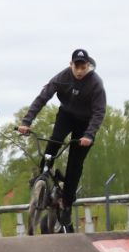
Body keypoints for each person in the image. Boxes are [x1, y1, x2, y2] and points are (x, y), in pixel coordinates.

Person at [17, 48, 106, 231]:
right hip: (66, 115)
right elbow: (43, 97)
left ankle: (66, 202)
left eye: (83, 67)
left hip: (86, 123)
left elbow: (99, 112)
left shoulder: (96, 84)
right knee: (54, 143)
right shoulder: (63, 77)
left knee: (75, 163)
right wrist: (27, 122)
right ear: (70, 64)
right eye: (76, 67)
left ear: (88, 66)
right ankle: (41, 180)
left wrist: (89, 135)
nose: (80, 71)